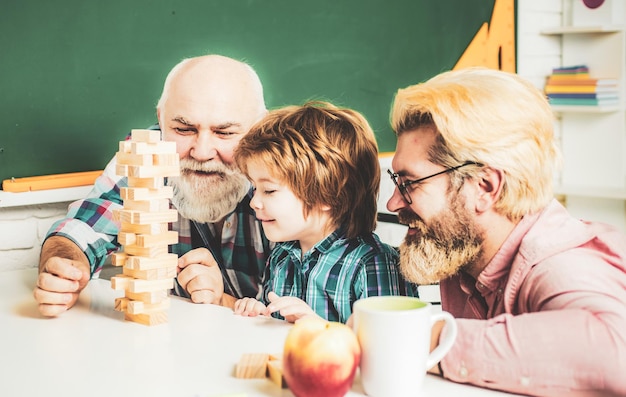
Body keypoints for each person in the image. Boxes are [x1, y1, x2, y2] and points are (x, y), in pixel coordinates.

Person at [385, 67, 626, 396]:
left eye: (409, 183)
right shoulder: (460, 251)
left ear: (485, 187)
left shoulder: (556, 264)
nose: (393, 201)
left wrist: (426, 339)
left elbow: (615, 352)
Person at [34, 54, 272, 317]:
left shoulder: (287, 177)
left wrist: (223, 300)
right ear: (161, 119)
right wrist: (65, 268)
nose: (202, 152)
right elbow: (83, 229)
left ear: (261, 127)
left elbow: (311, 314)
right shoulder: (146, 155)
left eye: (224, 133)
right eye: (183, 129)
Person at [232, 101, 414, 323]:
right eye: (255, 188)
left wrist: (320, 329)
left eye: (269, 190)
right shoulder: (281, 256)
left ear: (326, 196)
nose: (254, 202)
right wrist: (260, 312)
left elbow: (389, 349)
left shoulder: (373, 264)